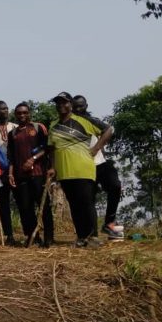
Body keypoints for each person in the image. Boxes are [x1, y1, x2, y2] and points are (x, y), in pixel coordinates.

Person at [47, 92, 112, 248]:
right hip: (64, 173)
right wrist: (53, 168)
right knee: (74, 206)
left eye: (64, 102)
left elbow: (108, 129)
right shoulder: (53, 125)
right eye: (58, 103)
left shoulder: (83, 120)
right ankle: (82, 237)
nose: (61, 105)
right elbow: (52, 149)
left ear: (70, 104)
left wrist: (96, 148)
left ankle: (93, 237)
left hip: (83, 170)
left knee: (86, 203)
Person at [72, 95, 124, 240]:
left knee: (115, 186)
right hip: (82, 168)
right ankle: (90, 235)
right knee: (88, 201)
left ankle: (110, 222)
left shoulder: (91, 120)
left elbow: (109, 130)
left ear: (86, 106)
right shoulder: (68, 123)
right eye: (75, 107)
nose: (78, 109)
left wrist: (96, 148)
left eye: (80, 106)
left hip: (99, 163)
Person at [7, 102, 53, 247]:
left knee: (43, 206)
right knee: (25, 208)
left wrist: (32, 159)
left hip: (39, 173)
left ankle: (49, 238)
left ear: (29, 113)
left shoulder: (38, 128)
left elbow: (47, 148)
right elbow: (11, 157)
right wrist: (10, 174)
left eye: (25, 112)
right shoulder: (13, 133)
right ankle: (32, 237)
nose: (22, 115)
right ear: (15, 115)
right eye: (19, 113)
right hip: (21, 176)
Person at [0, 100, 17, 246]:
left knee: (22, 201)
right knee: (4, 204)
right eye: (2, 109)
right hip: (0, 170)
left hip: (15, 169)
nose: (5, 111)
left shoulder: (15, 127)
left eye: (7, 108)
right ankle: (9, 235)